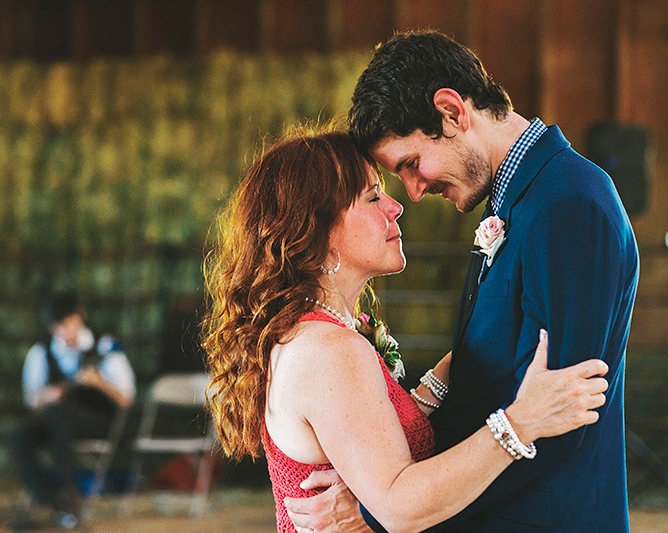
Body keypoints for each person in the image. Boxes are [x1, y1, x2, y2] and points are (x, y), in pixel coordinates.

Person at [286, 30, 640, 532]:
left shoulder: (568, 205)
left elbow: (558, 422)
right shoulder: (518, 202)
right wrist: (386, 483)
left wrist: (383, 510)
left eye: (410, 164)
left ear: (452, 112)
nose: (411, 192)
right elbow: (488, 384)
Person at [202, 126, 609, 532]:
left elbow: (373, 440)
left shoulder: (319, 335)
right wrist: (523, 422)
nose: (395, 207)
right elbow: (399, 506)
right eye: (373, 197)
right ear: (319, 233)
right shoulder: (329, 351)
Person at [9, 291, 135, 528]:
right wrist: (48, 394)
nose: (63, 332)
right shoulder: (42, 352)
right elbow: (32, 399)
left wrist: (100, 383)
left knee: (59, 414)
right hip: (59, 425)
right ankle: (53, 500)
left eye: (67, 324)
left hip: (98, 423)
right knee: (20, 435)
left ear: (80, 317)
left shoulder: (105, 347)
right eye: (57, 327)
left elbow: (126, 399)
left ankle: (67, 492)